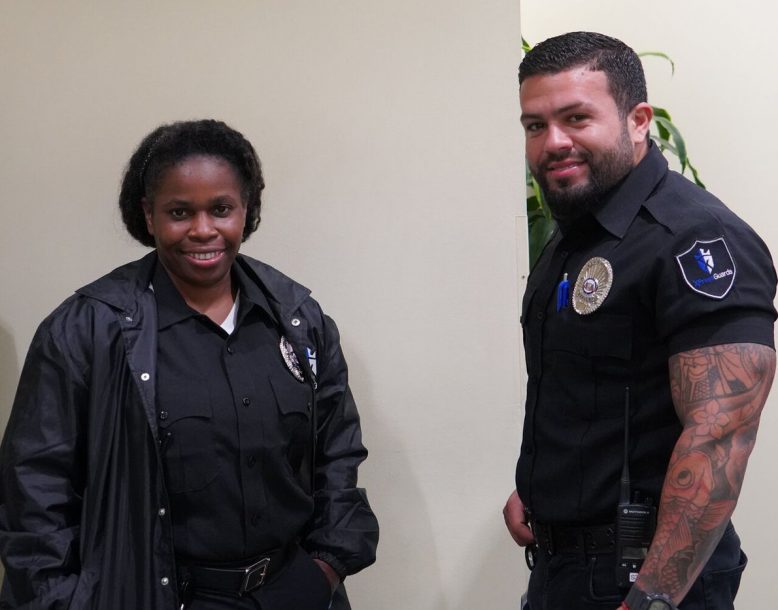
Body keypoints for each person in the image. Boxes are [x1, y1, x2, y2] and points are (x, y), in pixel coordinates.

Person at [0, 119, 379, 609]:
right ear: (149, 215)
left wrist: (324, 570)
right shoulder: (86, 330)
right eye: (180, 212)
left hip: (292, 593)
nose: (203, 230)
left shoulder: (298, 320)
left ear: (247, 210)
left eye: (221, 209)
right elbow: (33, 495)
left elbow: (337, 454)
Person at [503, 32, 776, 610]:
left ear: (638, 120)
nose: (554, 142)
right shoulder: (573, 239)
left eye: (577, 118)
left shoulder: (696, 238)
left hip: (648, 579)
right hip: (562, 571)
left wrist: (653, 598)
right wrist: (542, 486)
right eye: (535, 125)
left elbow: (719, 437)